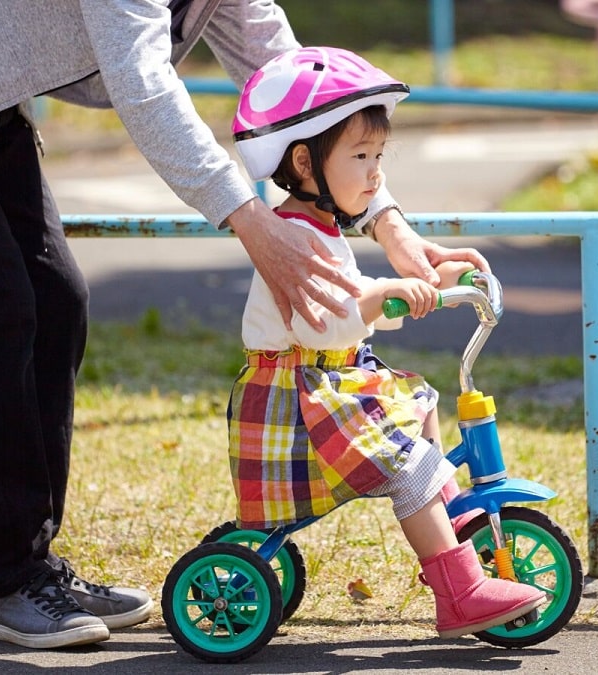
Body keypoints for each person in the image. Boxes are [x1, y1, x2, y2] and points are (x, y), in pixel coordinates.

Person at [0, 1, 489, 649]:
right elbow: (142, 84)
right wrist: (249, 219)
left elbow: (292, 73)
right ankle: (12, 577)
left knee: (57, 301)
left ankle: (21, 567)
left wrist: (388, 222)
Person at [227, 47, 545, 639]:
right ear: (303, 163)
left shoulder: (315, 225)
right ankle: (459, 591)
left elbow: (359, 298)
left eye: (379, 156)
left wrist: (436, 279)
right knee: (411, 460)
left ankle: (449, 524)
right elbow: (325, 323)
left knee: (418, 407)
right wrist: (383, 295)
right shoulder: (294, 237)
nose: (376, 175)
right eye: (361, 156)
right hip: (299, 394)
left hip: (329, 381)